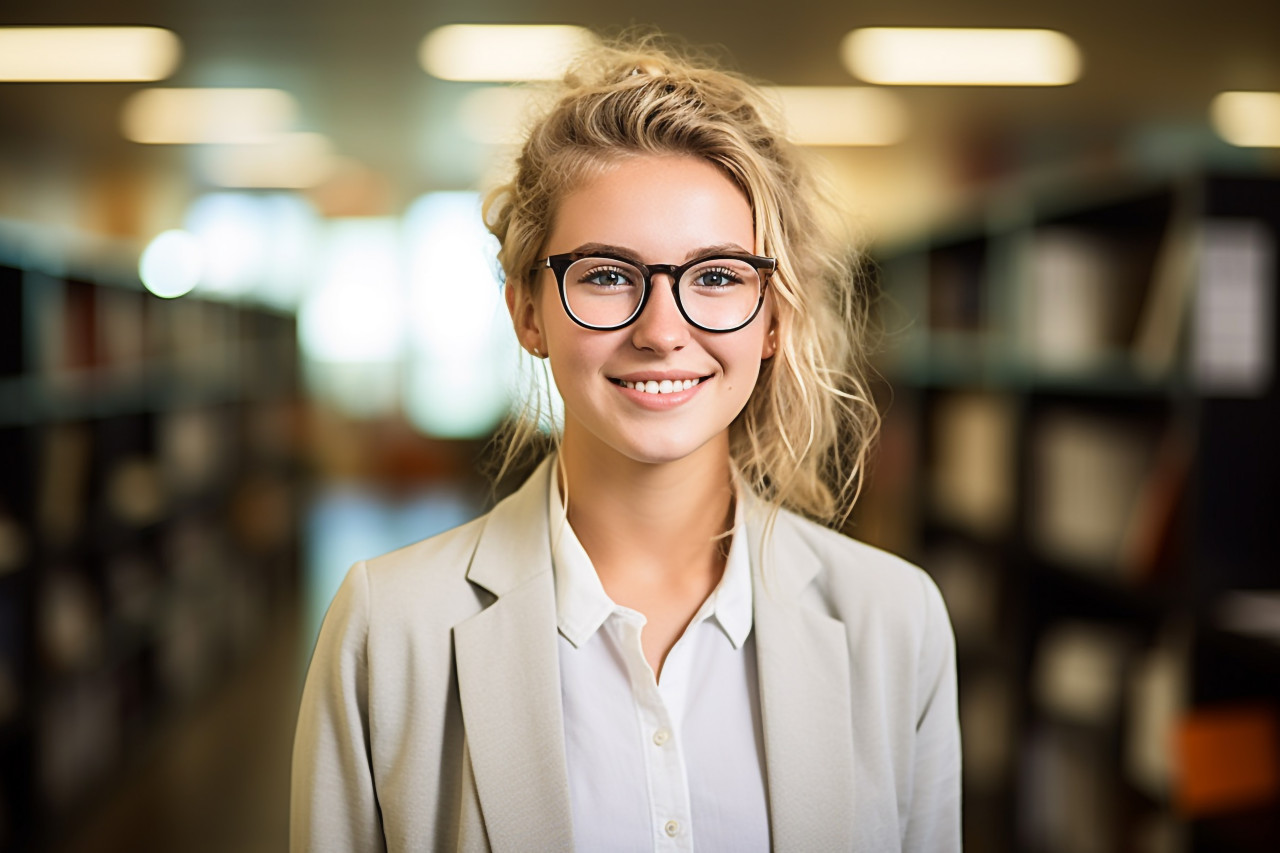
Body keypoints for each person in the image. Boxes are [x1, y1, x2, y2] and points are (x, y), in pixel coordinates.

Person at [291, 37, 960, 853]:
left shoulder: (896, 620)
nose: (662, 330)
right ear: (528, 312)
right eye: (608, 273)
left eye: (716, 276)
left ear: (774, 318)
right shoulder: (387, 628)